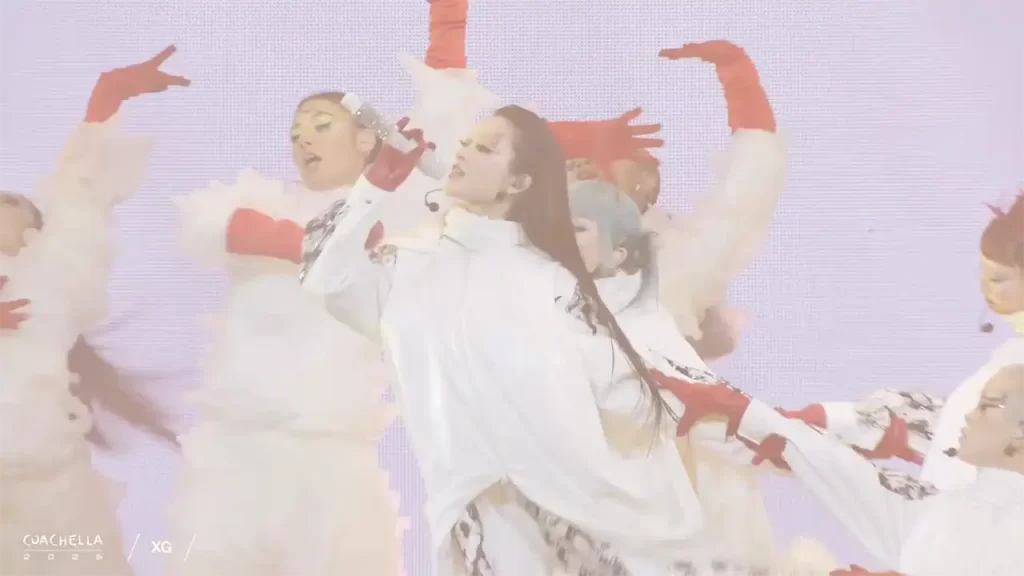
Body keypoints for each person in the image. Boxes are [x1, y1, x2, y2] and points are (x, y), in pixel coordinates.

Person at [301, 95, 740, 573]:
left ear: (519, 182)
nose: (464, 151)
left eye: (485, 148)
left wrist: (742, 422)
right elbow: (328, 282)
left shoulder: (553, 280)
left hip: (577, 506)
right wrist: (375, 186)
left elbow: (629, 389)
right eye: (465, 143)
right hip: (476, 507)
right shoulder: (406, 265)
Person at [166, 1, 492, 573]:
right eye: (295, 132)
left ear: (367, 140)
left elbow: (444, 118)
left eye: (321, 126)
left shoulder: (393, 211)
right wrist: (312, 242)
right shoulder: (261, 200)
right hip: (234, 453)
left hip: (333, 454)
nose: (303, 141)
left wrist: (448, 26)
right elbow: (207, 222)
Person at [568, 179, 837, 574]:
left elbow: (705, 416)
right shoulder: (547, 308)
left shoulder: (644, 325)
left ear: (618, 251)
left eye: (578, 228)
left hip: (642, 518)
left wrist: (802, 445)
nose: (560, 235)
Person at [0, 46, 187, 575]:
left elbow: (76, 192)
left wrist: (107, 100)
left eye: (8, 204)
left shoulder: (53, 277)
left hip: (49, 487)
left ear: (35, 230)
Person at [662, 360, 1024, 575]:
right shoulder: (946, 511)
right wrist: (745, 412)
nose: (968, 416)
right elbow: (840, 468)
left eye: (987, 406)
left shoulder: (1000, 526)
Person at [558, 41, 787, 362]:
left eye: (618, 156)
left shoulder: (675, 264)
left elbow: (748, 190)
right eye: (575, 159)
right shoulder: (518, 243)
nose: (589, 163)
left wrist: (741, 83)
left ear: (647, 191)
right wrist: (562, 136)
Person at [778, 191, 1024, 489]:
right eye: (982, 275)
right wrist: (863, 422)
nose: (985, 289)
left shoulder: (1012, 368)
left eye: (997, 278)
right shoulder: (1008, 356)